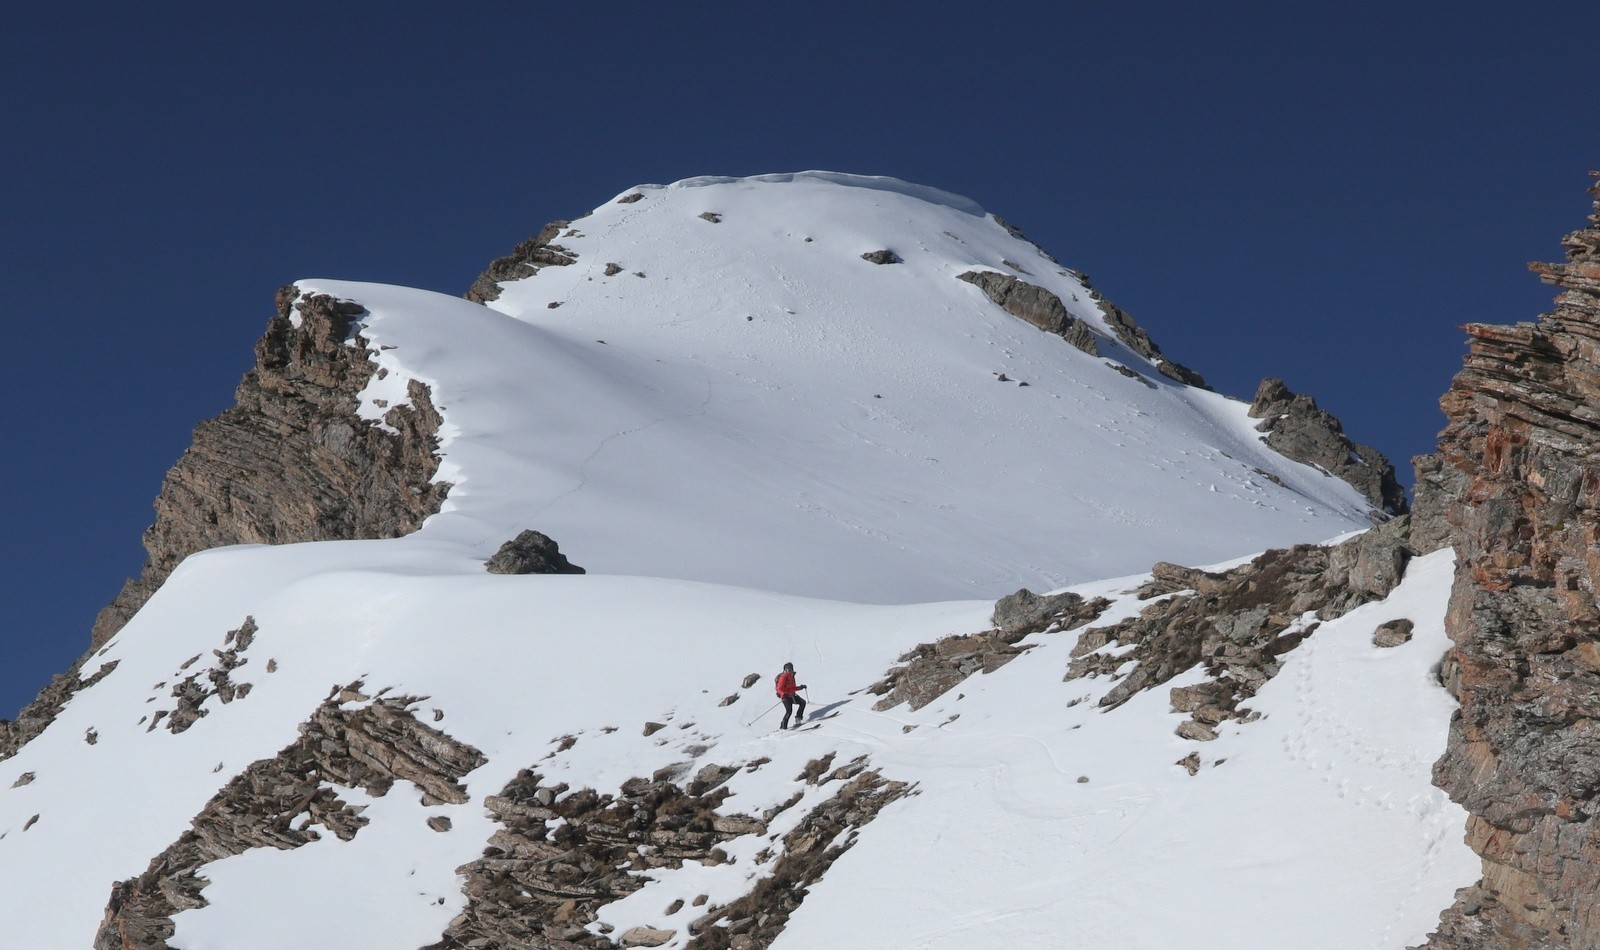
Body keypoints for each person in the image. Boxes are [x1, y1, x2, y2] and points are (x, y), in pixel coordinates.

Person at [776, 662, 807, 729]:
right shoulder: (783, 677)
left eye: (791, 669)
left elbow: (792, 688)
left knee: (802, 702)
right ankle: (783, 727)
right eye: (788, 669)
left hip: (792, 695)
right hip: (786, 697)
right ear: (785, 670)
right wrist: (783, 694)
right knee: (789, 711)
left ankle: (798, 719)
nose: (790, 671)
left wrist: (800, 687)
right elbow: (779, 688)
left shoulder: (791, 676)